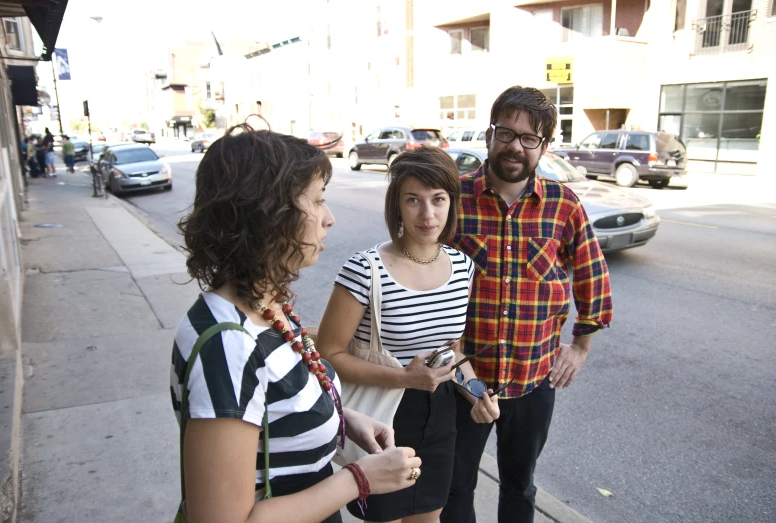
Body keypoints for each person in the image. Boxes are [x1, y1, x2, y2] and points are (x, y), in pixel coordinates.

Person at [171, 125, 422, 523]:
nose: (330, 218)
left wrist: (342, 419)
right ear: (269, 215)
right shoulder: (229, 345)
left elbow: (274, 408)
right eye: (318, 201)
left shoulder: (263, 304)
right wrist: (358, 479)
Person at [440, 86, 613, 523]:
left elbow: (593, 279)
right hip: (463, 380)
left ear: (544, 147)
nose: (515, 145)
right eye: (506, 132)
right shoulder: (452, 199)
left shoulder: (563, 206)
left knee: (520, 486)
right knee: (455, 486)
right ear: (488, 135)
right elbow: (420, 276)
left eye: (529, 137)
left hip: (533, 382)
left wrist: (580, 347)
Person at [317, 146, 500, 523]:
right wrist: (404, 377)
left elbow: (452, 352)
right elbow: (328, 355)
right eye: (413, 200)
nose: (428, 214)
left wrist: (476, 391)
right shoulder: (365, 270)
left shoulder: (463, 267)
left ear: (452, 202)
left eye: (438, 199)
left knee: (428, 517)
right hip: (383, 417)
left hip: (441, 416)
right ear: (396, 205)